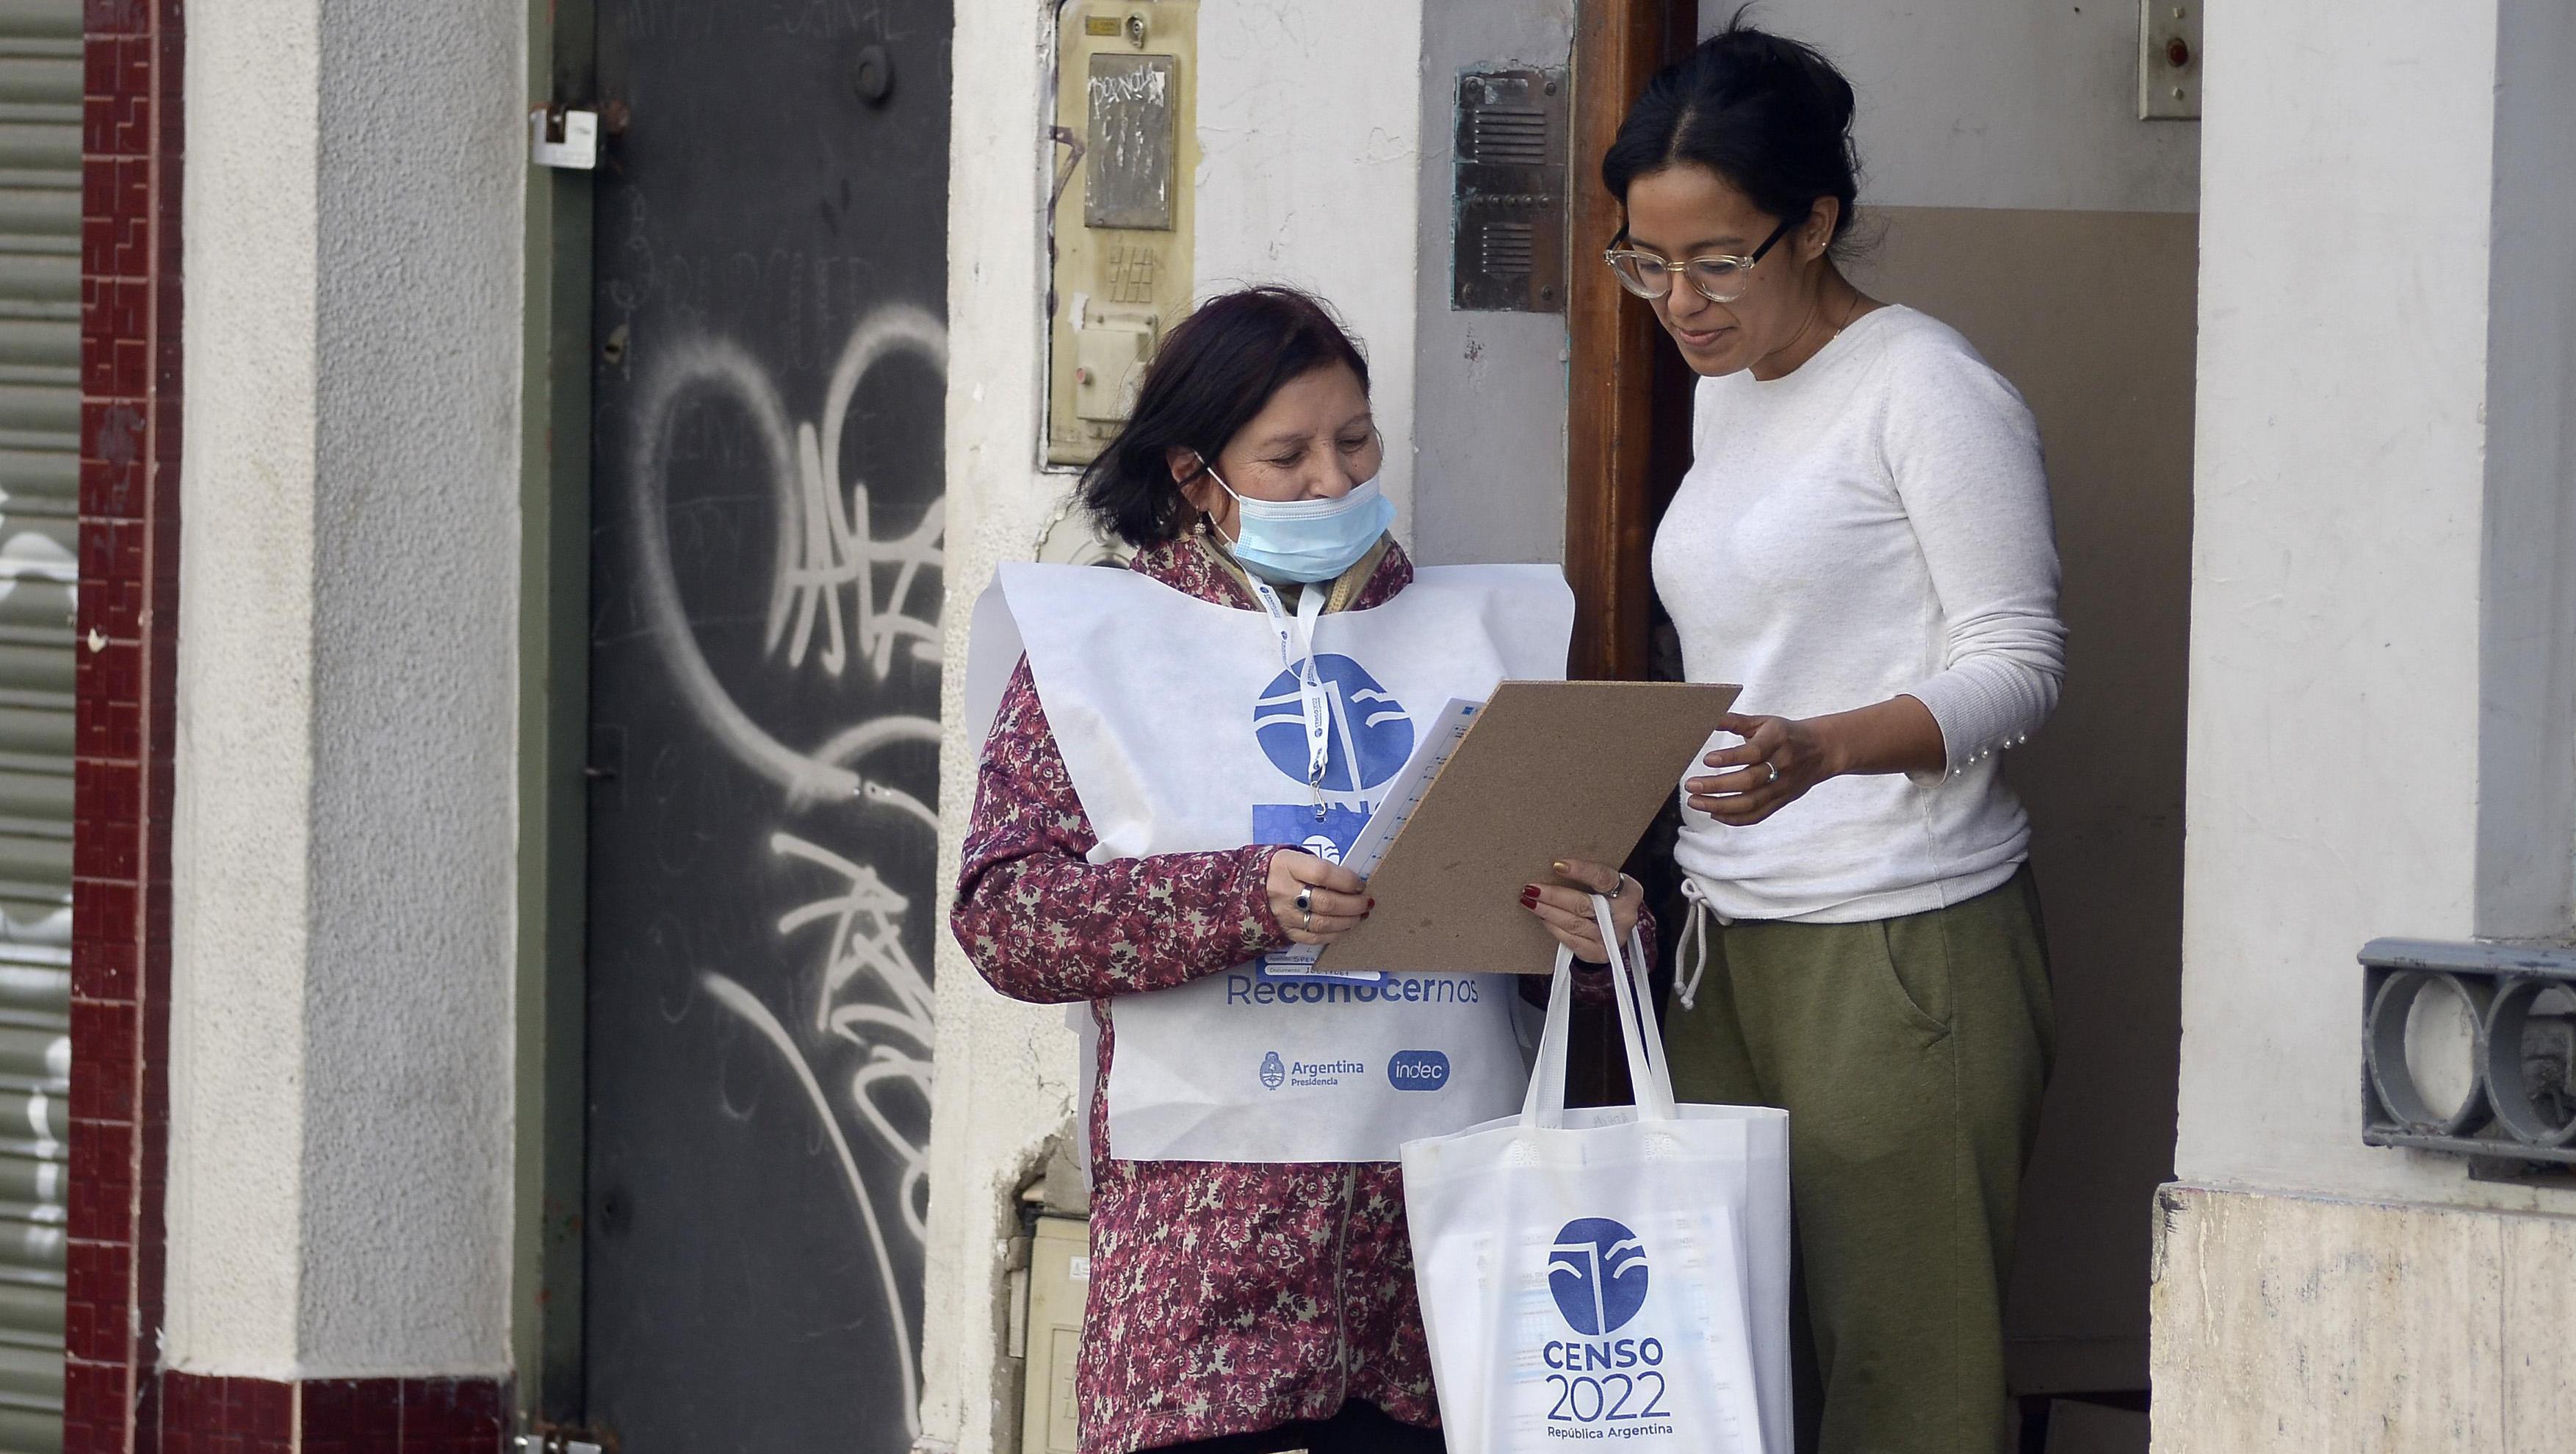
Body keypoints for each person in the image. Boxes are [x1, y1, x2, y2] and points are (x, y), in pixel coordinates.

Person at [952, 285, 1649, 1454]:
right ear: (1194, 476)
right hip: (1201, 1307)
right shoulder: (1097, 647)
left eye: (1355, 441)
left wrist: (1600, 936)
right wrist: (1237, 897)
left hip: (1443, 1285)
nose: (1334, 481)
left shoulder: (1480, 638)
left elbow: (1553, 953)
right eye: (1287, 456)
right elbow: (1007, 917)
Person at [1598, 19, 2066, 1454]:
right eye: (1642, 259)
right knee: (1729, 1382)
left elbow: (2020, 662)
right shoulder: (1725, 388)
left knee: (1904, 1389)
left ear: (1814, 223)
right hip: (1727, 938)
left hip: (1898, 941)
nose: (1677, 299)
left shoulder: (1924, 388)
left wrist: (1829, 747)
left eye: (1715, 258)